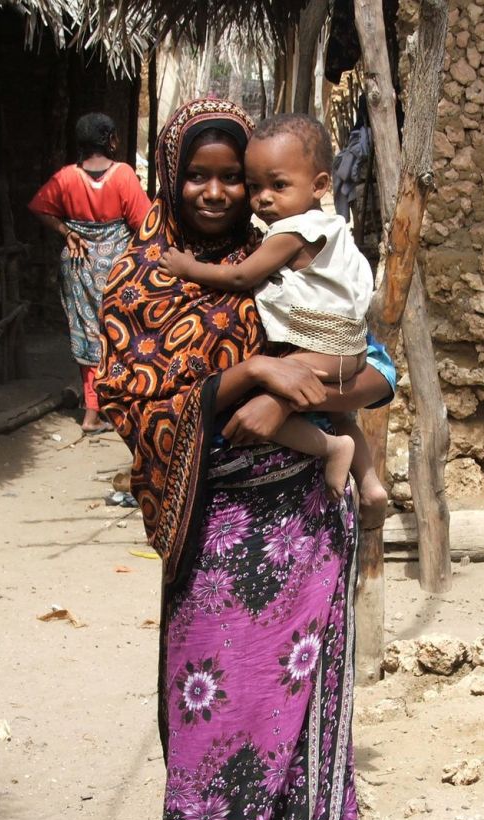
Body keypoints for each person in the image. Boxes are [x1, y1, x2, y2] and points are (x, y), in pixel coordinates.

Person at [95, 99, 394, 820]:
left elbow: (375, 368)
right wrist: (253, 378)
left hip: (307, 524)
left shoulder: (291, 262)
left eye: (239, 175)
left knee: (298, 714)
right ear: (170, 175)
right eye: (202, 173)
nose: (221, 191)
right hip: (218, 542)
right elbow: (135, 402)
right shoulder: (142, 280)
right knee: (212, 728)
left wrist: (303, 394)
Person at [159, 113, 389, 519]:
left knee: (278, 405)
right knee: (340, 417)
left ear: (318, 184)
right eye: (253, 186)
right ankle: (368, 481)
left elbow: (381, 373)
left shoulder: (286, 236)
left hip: (308, 506)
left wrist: (276, 401)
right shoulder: (332, 230)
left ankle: (332, 447)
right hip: (220, 515)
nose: (262, 198)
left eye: (277, 185)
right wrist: (252, 373)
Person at [29, 112, 150, 432]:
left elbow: (38, 207)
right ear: (111, 141)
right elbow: (145, 223)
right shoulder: (123, 175)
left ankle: (91, 413)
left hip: (78, 264)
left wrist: (66, 231)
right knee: (121, 335)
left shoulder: (66, 177)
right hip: (116, 268)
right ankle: (118, 408)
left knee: (87, 336)